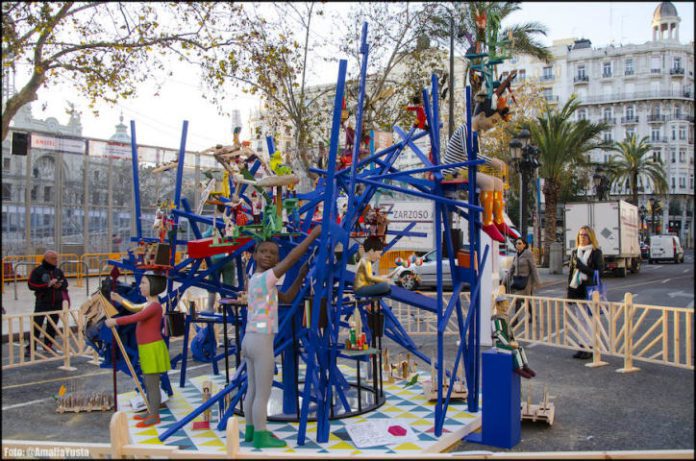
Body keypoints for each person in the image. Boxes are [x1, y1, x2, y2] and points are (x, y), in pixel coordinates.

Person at [243, 225, 321, 448]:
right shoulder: (267, 278)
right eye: (263, 251)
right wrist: (313, 235)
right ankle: (261, 436)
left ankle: (250, 431)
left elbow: (287, 298)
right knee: (262, 393)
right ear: (255, 255)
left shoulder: (256, 279)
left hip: (249, 339)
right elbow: (291, 258)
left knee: (252, 390)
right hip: (261, 340)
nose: (268, 255)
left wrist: (301, 275)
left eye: (273, 253)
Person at [106, 272, 170, 427]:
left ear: (154, 286)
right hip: (146, 347)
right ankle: (151, 411)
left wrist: (115, 321)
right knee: (148, 382)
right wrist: (120, 299)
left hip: (152, 348)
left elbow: (135, 317)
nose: (140, 286)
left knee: (152, 384)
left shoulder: (154, 306)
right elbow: (134, 308)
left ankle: (154, 415)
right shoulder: (149, 304)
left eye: (144, 283)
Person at [567, 225, 604, 360]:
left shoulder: (596, 252)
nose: (582, 237)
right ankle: (582, 346)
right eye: (580, 235)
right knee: (580, 320)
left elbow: (599, 272)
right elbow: (571, 272)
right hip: (577, 289)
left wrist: (582, 267)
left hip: (589, 290)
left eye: (585, 235)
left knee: (589, 320)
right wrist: (569, 292)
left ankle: (590, 347)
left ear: (590, 237)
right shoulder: (575, 252)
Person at [27, 250, 68, 355]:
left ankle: (48, 344)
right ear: (47, 259)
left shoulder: (58, 271)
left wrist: (60, 285)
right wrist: (47, 285)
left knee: (52, 325)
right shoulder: (38, 271)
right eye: (53, 258)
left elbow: (65, 283)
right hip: (42, 302)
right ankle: (31, 347)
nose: (56, 260)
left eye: (57, 258)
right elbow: (31, 285)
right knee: (37, 324)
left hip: (57, 302)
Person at [492, 295, 536, 379]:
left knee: (520, 348)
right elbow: (498, 333)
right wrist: (508, 343)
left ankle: (524, 366)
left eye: (506, 304)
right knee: (514, 351)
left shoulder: (505, 317)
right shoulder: (495, 319)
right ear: (498, 305)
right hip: (500, 344)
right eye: (504, 304)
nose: (506, 306)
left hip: (507, 341)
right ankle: (517, 368)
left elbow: (509, 331)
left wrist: (513, 340)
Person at [502, 238, 541, 323]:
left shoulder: (528, 254)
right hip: (518, 281)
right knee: (524, 300)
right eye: (516, 243)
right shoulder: (516, 256)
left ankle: (516, 320)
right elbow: (511, 269)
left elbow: (533, 268)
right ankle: (533, 315)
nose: (517, 245)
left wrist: (537, 281)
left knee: (518, 299)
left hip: (526, 282)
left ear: (524, 245)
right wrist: (504, 281)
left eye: (519, 243)